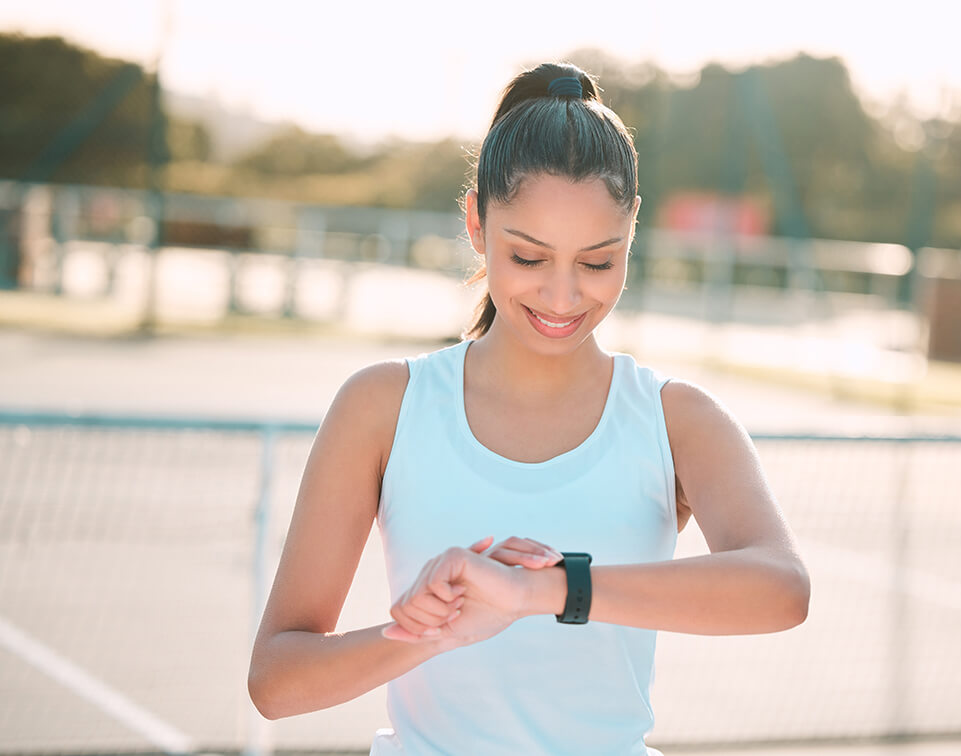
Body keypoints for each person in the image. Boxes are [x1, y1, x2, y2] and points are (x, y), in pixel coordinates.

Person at [247, 61, 810, 756]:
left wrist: (541, 593)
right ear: (476, 223)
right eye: (529, 257)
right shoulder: (383, 405)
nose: (563, 296)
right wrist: (435, 631)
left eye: (598, 262)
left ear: (631, 232)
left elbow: (781, 589)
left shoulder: (677, 420)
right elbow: (277, 680)